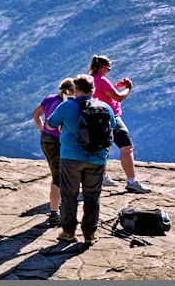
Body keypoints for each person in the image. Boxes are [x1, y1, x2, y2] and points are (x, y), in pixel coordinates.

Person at [45, 74, 114, 247]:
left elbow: (49, 125)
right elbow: (111, 126)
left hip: (71, 158)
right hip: (97, 158)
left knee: (69, 195)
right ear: (93, 90)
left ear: (75, 89)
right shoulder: (104, 107)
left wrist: (65, 125)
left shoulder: (66, 106)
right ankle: (89, 234)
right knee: (92, 196)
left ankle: (68, 232)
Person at [89, 55, 149, 193]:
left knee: (104, 148)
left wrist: (117, 86)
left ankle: (102, 178)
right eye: (107, 67)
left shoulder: (90, 80)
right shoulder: (101, 80)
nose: (109, 70)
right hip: (111, 117)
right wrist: (128, 88)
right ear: (101, 67)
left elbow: (104, 93)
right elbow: (118, 97)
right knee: (127, 147)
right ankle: (132, 182)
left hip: (95, 118)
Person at [32, 78, 75, 225]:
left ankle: (56, 209)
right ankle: (54, 214)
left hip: (46, 140)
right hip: (58, 142)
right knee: (59, 177)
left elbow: (35, 114)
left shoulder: (49, 99)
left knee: (58, 175)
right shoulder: (67, 104)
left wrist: (42, 129)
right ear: (73, 91)